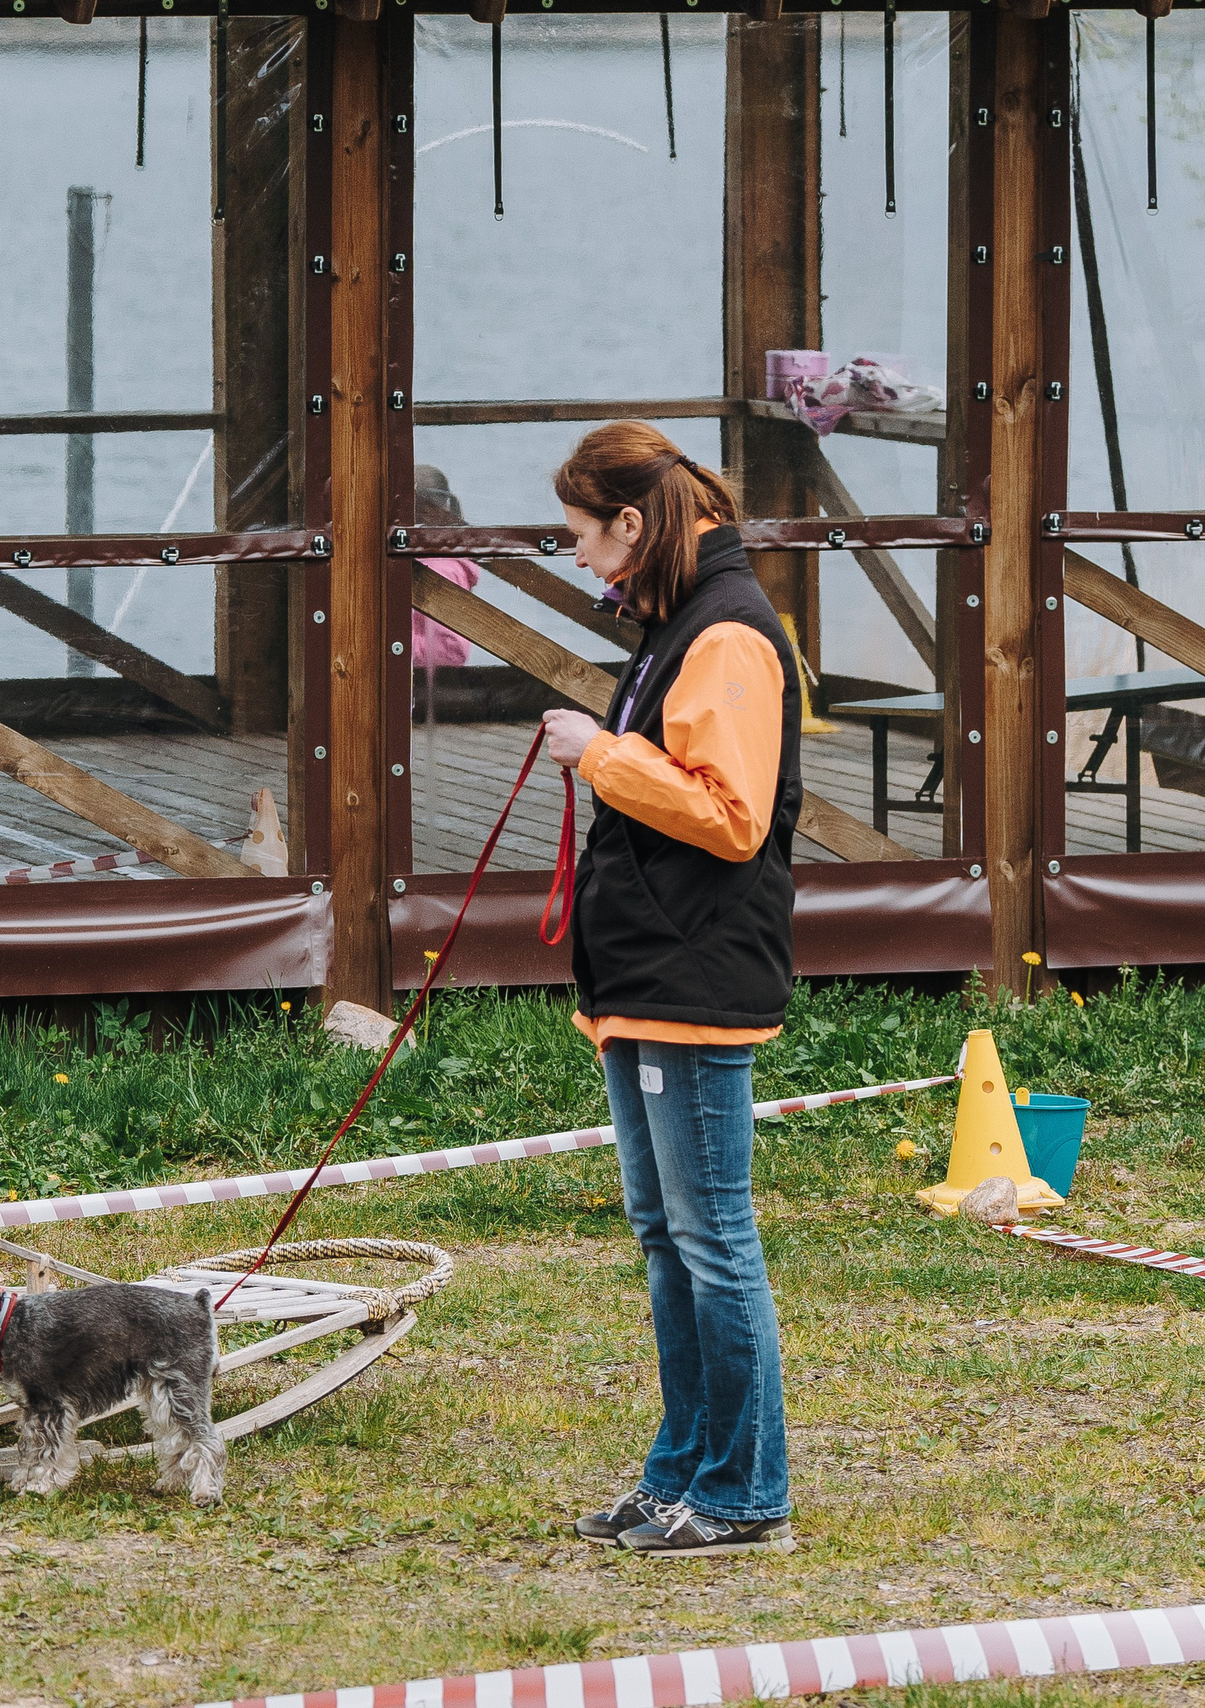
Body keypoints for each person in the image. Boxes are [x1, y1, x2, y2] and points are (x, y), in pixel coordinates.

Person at [534, 421, 800, 1557]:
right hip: (644, 973)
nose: (582, 561)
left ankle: (744, 1492)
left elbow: (731, 813)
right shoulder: (672, 626)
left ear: (632, 526)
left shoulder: (727, 637)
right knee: (665, 1235)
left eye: (582, 539)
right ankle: (682, 1470)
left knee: (711, 1238)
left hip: (694, 970)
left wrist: (597, 754)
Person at [409, 464, 481, 727]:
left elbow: (450, 651)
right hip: (416, 688)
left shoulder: (441, 568)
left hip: (430, 697)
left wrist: (388, 646)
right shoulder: (426, 557)